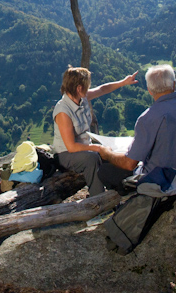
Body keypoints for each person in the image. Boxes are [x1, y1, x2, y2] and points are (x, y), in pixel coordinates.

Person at [52, 66, 138, 196]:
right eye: (87, 85)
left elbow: (103, 89)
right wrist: (97, 148)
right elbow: (71, 146)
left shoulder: (81, 97)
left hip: (84, 147)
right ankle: (97, 199)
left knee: (112, 154)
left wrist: (123, 82)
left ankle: (122, 189)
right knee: (92, 159)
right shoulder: (63, 111)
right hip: (66, 154)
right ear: (79, 88)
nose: (89, 88)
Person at [107, 64, 176, 179]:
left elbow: (129, 164)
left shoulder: (148, 118)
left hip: (159, 180)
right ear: (174, 84)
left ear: (150, 90)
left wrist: (105, 153)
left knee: (106, 171)